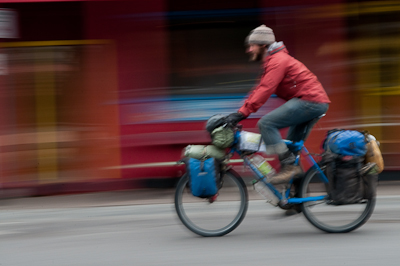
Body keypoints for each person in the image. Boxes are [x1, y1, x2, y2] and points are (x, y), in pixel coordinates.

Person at [226, 25, 330, 186]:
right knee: (292, 149)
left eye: (252, 45)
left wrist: (242, 114)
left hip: (310, 101)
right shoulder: (272, 61)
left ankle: (289, 168)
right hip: (311, 102)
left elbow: (266, 89)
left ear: (263, 45)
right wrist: (239, 111)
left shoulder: (277, 61)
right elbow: (258, 89)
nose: (249, 49)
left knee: (266, 124)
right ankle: (296, 199)